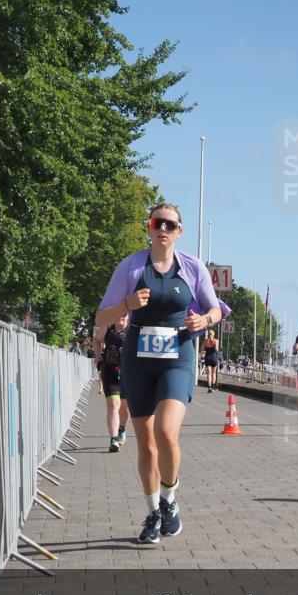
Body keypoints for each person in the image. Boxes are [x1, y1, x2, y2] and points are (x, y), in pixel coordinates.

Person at [96, 202, 228, 544]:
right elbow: (101, 317)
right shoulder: (130, 267)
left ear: (179, 231)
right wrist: (127, 305)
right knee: (147, 445)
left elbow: (215, 309)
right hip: (138, 358)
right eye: (158, 223)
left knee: (167, 432)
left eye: (171, 225)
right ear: (150, 227)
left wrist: (203, 320)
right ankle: (153, 512)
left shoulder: (192, 268)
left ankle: (170, 501)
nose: (164, 229)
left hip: (178, 355)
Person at [94, 313, 130, 452]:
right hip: (110, 371)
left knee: (125, 409)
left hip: (128, 373)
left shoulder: (134, 328)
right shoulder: (107, 326)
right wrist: (98, 357)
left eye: (124, 318)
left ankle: (122, 429)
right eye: (119, 317)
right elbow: (97, 340)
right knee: (113, 405)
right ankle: (113, 439)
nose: (121, 321)